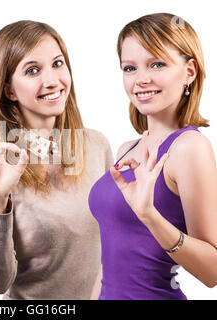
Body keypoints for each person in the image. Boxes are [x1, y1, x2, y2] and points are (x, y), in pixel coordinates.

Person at [0, 20, 113, 299]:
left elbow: (114, 245)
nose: (52, 80)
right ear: (9, 90)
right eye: (33, 70)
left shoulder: (96, 146)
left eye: (58, 63)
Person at [89, 13, 217, 300]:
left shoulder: (189, 148)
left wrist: (150, 215)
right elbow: (109, 264)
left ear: (190, 71)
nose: (141, 79)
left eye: (157, 64)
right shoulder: (128, 150)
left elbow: (212, 271)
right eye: (130, 68)